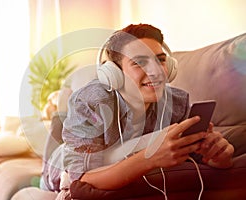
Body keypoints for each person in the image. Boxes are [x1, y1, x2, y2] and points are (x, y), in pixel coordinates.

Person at [40, 24, 234, 198]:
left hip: (109, 149)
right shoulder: (91, 102)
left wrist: (219, 157)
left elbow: (195, 157)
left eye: (160, 60)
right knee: (50, 174)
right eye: (139, 62)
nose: (156, 71)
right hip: (63, 163)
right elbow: (80, 179)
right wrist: (149, 158)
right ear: (114, 74)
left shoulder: (176, 103)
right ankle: (58, 117)